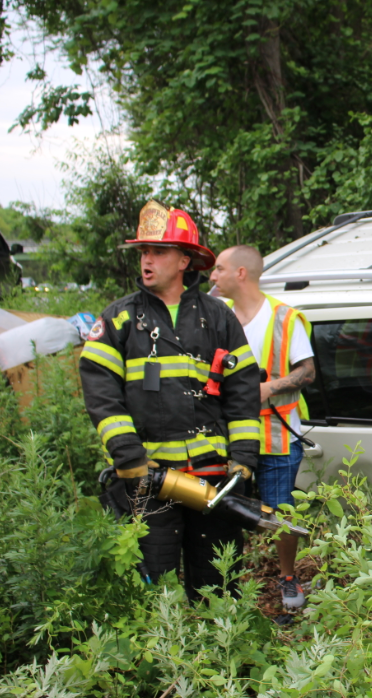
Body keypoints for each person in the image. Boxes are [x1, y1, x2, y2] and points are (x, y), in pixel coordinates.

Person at [80, 200, 261, 600]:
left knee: (218, 587)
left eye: (158, 251)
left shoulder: (219, 317)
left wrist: (245, 456)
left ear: (184, 260)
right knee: (153, 592)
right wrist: (128, 456)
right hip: (148, 479)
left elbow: (243, 389)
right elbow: (101, 394)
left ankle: (213, 641)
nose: (147, 260)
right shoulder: (119, 319)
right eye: (144, 251)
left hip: (213, 479)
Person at [210, 245, 315, 611]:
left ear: (241, 273)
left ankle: (287, 577)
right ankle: (227, 580)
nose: (212, 276)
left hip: (277, 435)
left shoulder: (284, 318)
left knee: (280, 513)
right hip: (226, 435)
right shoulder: (216, 315)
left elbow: (307, 372)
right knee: (223, 508)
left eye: (218, 269)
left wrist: (267, 389)